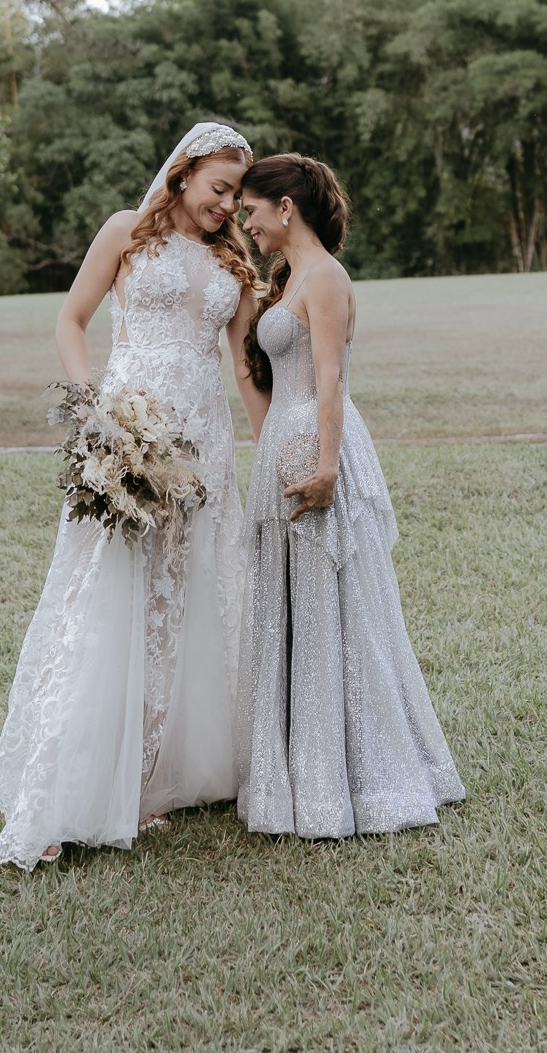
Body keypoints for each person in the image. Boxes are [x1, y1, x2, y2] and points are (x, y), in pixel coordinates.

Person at [0, 122, 269, 869]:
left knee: (176, 606)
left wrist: (272, 447)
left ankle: (145, 782)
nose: (227, 207)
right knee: (105, 600)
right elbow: (71, 320)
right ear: (181, 174)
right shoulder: (124, 230)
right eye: (218, 189)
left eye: (237, 196)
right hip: (128, 433)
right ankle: (61, 793)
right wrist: (94, 414)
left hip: (201, 448)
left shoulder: (231, 262)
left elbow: (244, 370)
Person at [235, 153, 464, 838]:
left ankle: (354, 779)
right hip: (285, 444)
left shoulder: (326, 278)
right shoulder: (287, 277)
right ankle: (297, 774)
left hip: (319, 449)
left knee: (332, 610)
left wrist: (329, 466)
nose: (246, 220)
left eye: (252, 207)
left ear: (286, 207)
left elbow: (330, 379)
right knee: (291, 612)